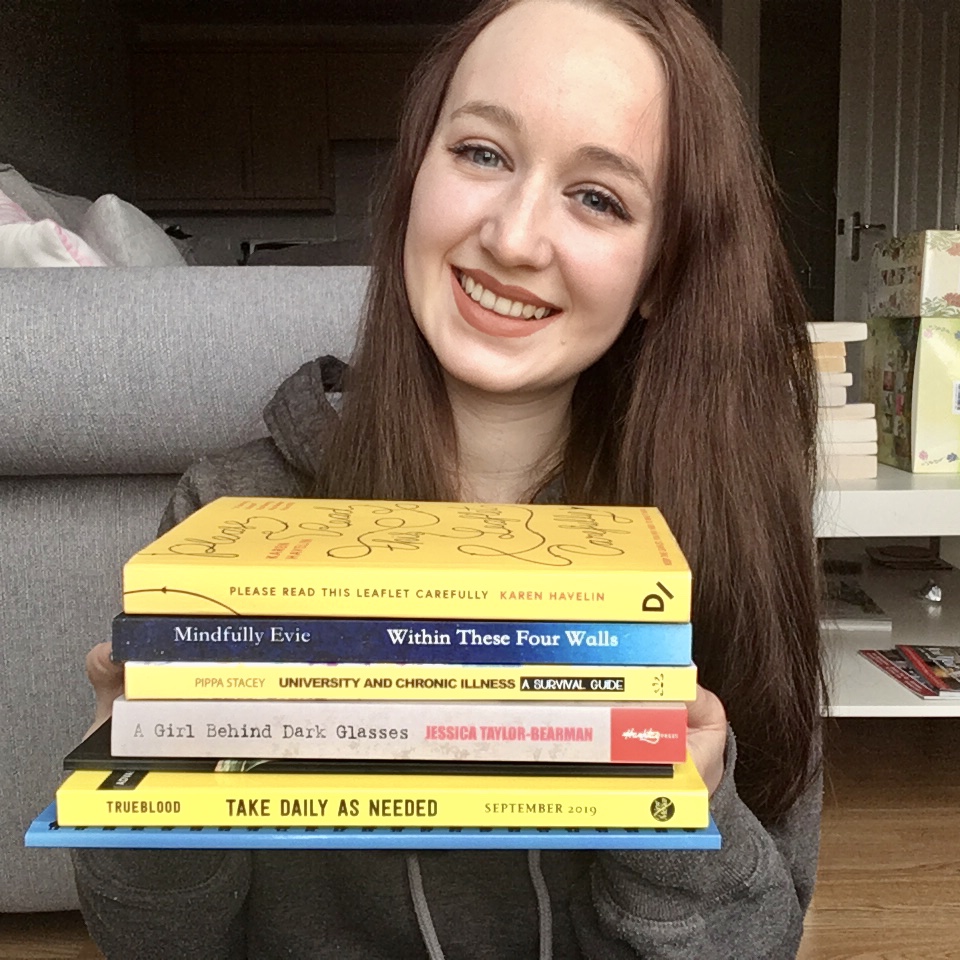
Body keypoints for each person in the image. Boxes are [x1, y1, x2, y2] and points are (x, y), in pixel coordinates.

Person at [75, 0, 825, 957]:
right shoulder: (220, 520)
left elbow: (768, 933)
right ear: (411, 181)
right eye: (481, 153)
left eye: (599, 198)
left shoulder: (724, 537)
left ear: (663, 274)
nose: (514, 237)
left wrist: (681, 813)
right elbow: (156, 945)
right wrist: (139, 785)